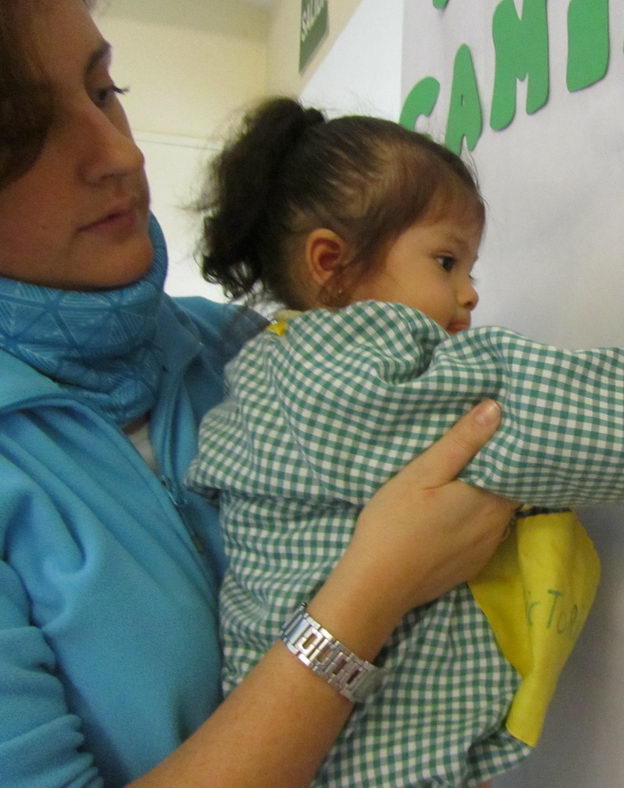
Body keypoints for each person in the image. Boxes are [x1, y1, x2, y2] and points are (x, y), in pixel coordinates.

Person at [0, 2, 518, 786]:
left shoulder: (249, 350)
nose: (115, 154)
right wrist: (370, 594)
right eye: (25, 131)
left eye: (105, 90)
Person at [186, 97, 624, 786]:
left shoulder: (263, 371)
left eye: (470, 269)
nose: (470, 293)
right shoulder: (353, 365)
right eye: (446, 261)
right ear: (331, 264)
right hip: (363, 738)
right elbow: (511, 408)